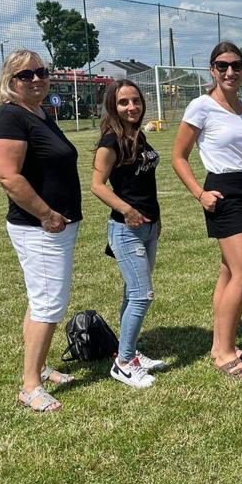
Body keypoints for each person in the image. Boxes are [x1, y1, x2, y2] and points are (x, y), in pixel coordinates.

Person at [172, 41, 242, 381]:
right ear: (212, 70)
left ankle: (220, 346)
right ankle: (225, 354)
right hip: (222, 192)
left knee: (229, 272)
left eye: (236, 65)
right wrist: (199, 193)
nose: (230, 71)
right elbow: (178, 157)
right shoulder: (200, 107)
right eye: (222, 65)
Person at [0, 49, 81, 412]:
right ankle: (29, 385)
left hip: (56, 225)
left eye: (41, 71)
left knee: (41, 299)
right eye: (26, 75)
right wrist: (46, 214)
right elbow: (6, 174)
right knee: (48, 303)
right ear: (10, 81)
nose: (37, 79)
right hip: (39, 227)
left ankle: (40, 368)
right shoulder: (10, 117)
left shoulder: (39, 113)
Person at [91, 80, 167, 390]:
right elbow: (97, 185)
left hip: (148, 227)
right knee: (141, 295)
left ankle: (130, 352)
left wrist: (156, 220)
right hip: (126, 229)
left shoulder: (139, 136)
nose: (131, 107)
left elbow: (145, 185)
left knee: (131, 293)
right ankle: (122, 364)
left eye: (135, 100)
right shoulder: (110, 142)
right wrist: (128, 211)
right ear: (113, 106)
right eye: (124, 102)